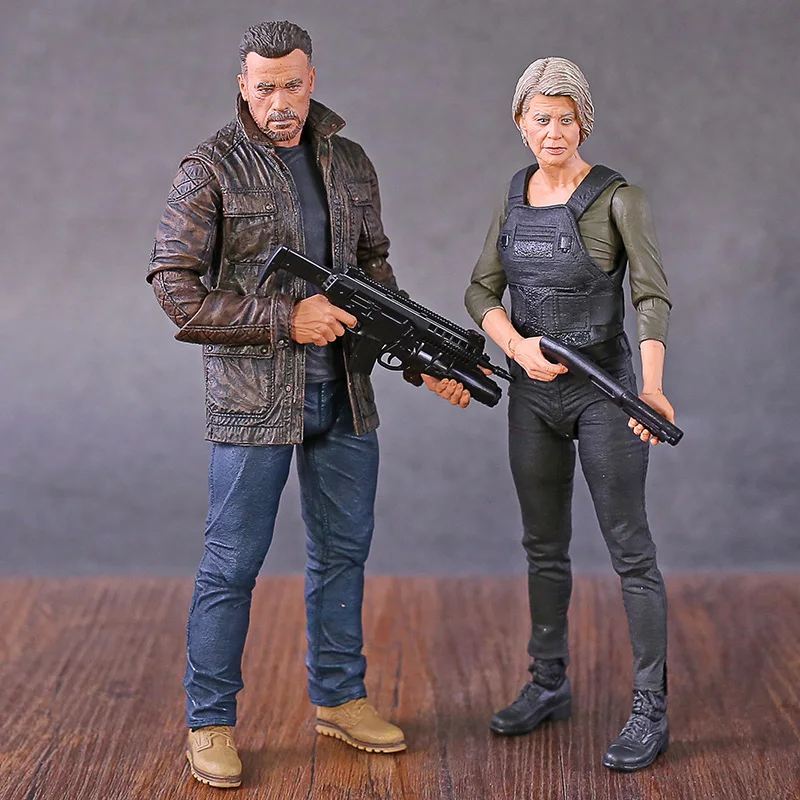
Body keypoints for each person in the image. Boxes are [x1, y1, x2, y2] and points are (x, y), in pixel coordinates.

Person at [148, 20, 468, 789]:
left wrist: (425, 360)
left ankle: (340, 697)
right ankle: (209, 721)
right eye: (265, 88)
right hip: (255, 397)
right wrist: (284, 319)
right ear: (242, 86)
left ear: (312, 80)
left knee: (343, 553)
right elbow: (175, 288)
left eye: (292, 84)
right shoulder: (210, 168)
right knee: (232, 564)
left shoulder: (349, 162)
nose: (280, 102)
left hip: (345, 391)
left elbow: (374, 271)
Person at [464, 57, 675, 772]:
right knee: (543, 544)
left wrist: (650, 387)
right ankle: (548, 680)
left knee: (630, 548)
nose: (553, 131)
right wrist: (516, 345)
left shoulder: (619, 199)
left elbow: (650, 295)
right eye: (540, 118)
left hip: (604, 389)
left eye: (565, 118)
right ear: (520, 123)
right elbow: (480, 290)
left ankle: (650, 705)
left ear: (584, 123)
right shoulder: (514, 195)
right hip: (534, 393)